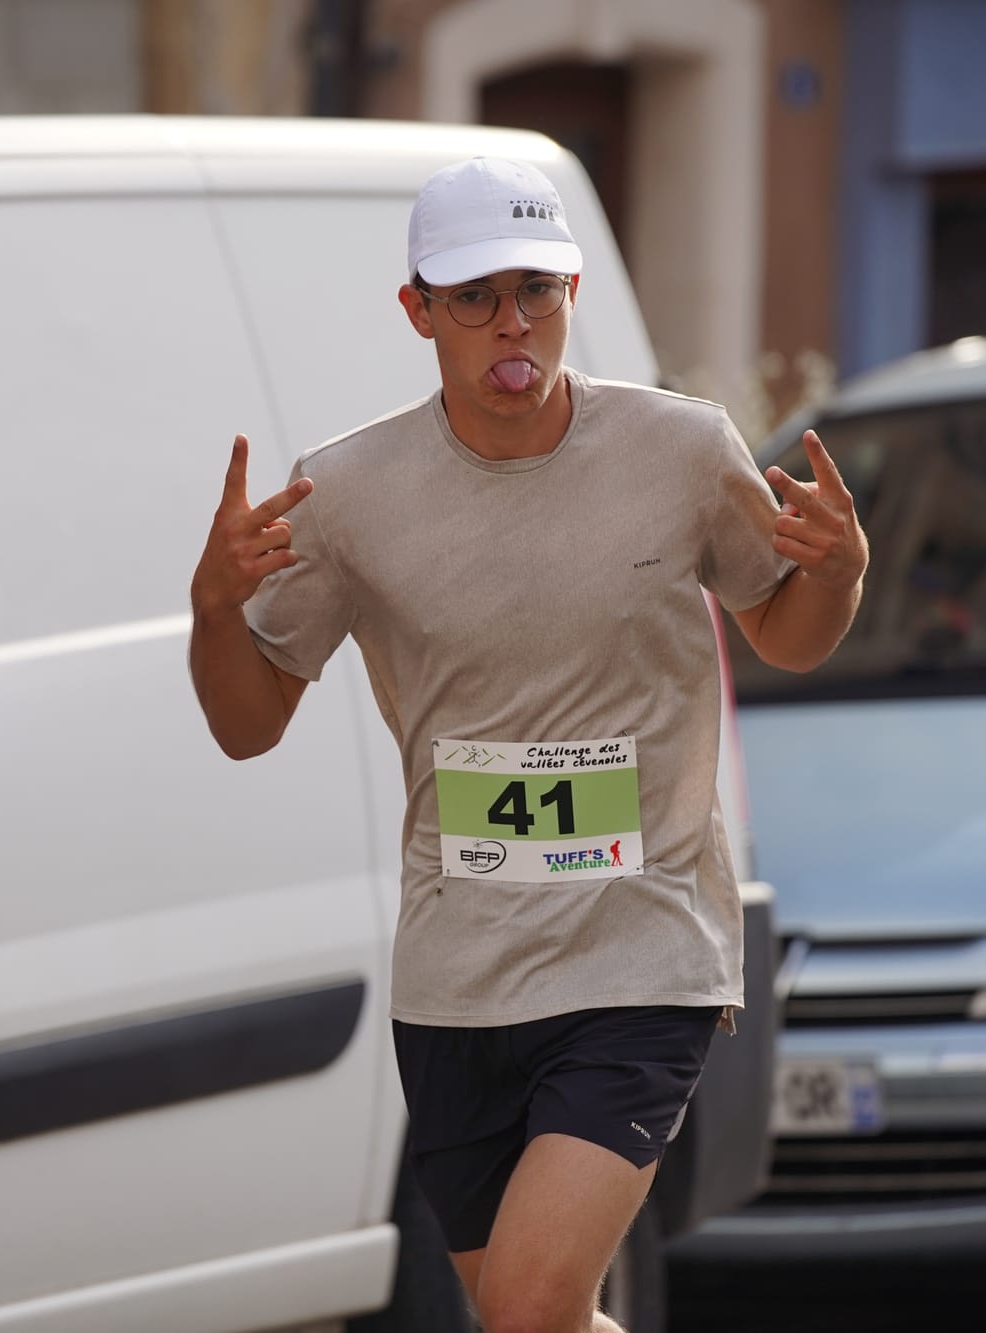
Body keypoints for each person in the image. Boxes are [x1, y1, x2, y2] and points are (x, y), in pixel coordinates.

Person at [188, 156, 868, 1333]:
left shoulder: (679, 447)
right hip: (456, 976)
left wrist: (839, 576)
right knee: (539, 1324)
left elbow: (786, 634)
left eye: (536, 290)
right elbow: (247, 726)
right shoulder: (345, 494)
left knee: (523, 1308)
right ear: (417, 311)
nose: (513, 324)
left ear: (569, 289)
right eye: (473, 297)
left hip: (640, 946)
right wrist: (210, 616)